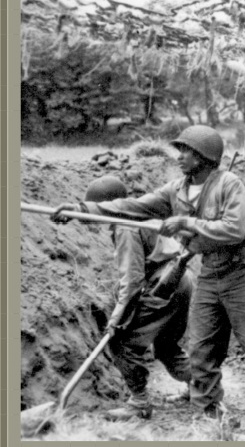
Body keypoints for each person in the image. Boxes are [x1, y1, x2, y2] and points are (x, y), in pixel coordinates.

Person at [51, 125, 245, 433]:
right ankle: (208, 417)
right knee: (202, 353)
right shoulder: (176, 190)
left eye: (186, 151)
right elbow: (133, 207)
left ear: (204, 156)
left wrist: (186, 222)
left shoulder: (230, 184)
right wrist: (82, 209)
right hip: (210, 276)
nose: (179, 157)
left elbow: (234, 229)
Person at [72, 176, 194, 421]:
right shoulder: (139, 216)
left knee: (122, 342)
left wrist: (116, 319)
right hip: (181, 280)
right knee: (166, 346)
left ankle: (139, 402)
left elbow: (132, 280)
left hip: (164, 284)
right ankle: (202, 384)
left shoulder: (126, 227)